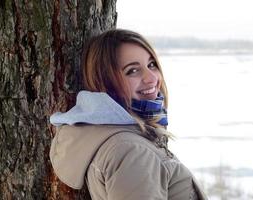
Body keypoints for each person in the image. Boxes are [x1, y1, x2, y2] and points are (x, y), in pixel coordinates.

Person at [49, 29, 207, 200]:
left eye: (151, 65)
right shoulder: (132, 152)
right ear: (105, 81)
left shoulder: (113, 137)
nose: (151, 78)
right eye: (132, 71)